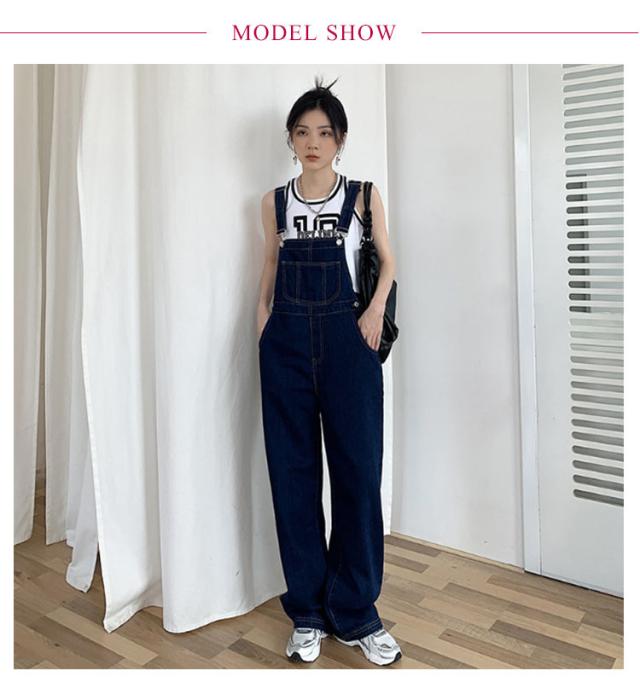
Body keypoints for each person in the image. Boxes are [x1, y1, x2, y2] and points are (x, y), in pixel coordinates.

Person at [256, 76, 401, 667]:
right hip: (285, 345)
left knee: (358, 475)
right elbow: (269, 266)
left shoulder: (363, 196)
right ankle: (309, 614)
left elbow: (388, 261)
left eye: (323, 132)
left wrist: (374, 310)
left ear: (340, 139)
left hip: (349, 343)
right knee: (292, 477)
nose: (312, 142)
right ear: (291, 140)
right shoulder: (274, 202)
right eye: (302, 132)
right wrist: (263, 325)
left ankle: (357, 611)